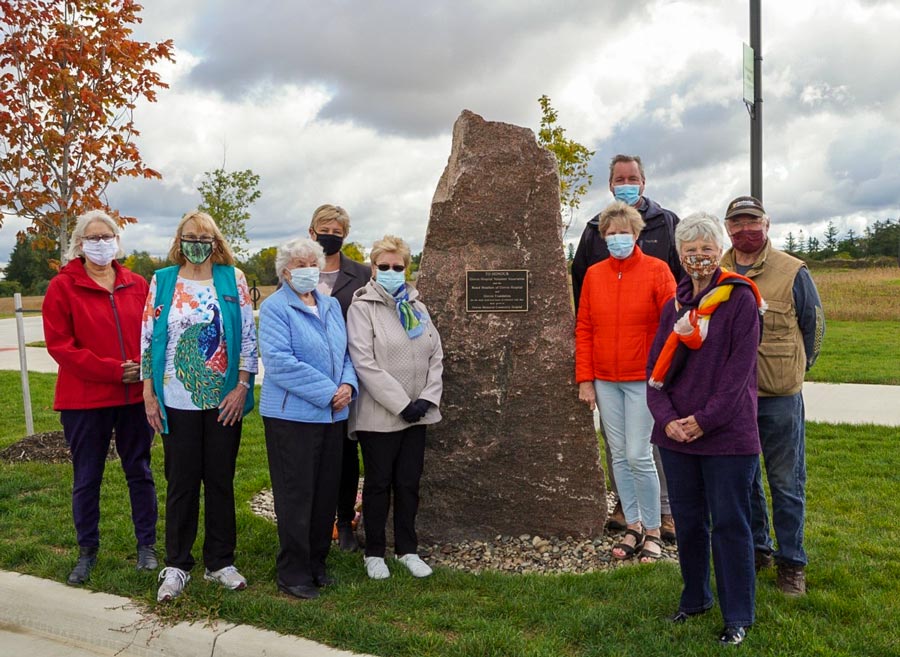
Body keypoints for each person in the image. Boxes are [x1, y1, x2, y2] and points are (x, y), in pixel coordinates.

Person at [646, 212, 766, 646]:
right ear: (679, 255)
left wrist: (704, 420)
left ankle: (737, 615)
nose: (698, 256)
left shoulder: (740, 300)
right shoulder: (673, 307)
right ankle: (695, 598)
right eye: (690, 250)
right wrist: (667, 419)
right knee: (689, 522)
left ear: (720, 252)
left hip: (727, 435)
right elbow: (655, 373)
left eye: (706, 249)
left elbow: (737, 375)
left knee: (730, 524)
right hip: (676, 436)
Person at [141, 210, 258, 603]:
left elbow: (248, 337)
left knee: (220, 481)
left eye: (204, 237)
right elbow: (147, 338)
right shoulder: (162, 280)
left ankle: (220, 562)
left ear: (215, 241)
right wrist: (149, 392)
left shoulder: (233, 278)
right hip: (176, 400)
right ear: (180, 240)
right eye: (190, 236)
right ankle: (177, 564)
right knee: (182, 483)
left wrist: (242, 385)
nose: (197, 243)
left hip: (224, 400)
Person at [42, 210, 158, 586]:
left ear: (117, 242)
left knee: (139, 471)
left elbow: (152, 333)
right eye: (93, 238)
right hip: (85, 400)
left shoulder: (137, 284)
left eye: (107, 237)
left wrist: (141, 368)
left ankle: (147, 547)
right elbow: (60, 346)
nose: (101, 243)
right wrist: (112, 370)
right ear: (79, 244)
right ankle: (87, 550)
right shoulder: (63, 287)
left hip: (134, 397)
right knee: (87, 476)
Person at [571, 153, 682, 539]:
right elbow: (584, 326)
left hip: (643, 377)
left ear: (637, 234)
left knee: (641, 452)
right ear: (603, 237)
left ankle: (655, 524)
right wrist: (585, 379)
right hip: (605, 378)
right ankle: (632, 521)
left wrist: (664, 371)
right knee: (619, 454)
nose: (618, 239)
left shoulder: (657, 269)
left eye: (625, 233)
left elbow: (672, 324)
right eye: (611, 234)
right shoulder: (594, 274)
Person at [720, 196, 825, 597]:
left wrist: (797, 369)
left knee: (785, 483)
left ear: (767, 225)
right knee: (744, 482)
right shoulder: (717, 271)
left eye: (752, 222)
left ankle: (792, 563)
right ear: (727, 228)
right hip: (734, 400)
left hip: (779, 398)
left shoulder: (792, 271)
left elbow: (814, 327)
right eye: (737, 223)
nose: (745, 229)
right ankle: (758, 550)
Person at [258, 237, 358, 600]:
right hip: (292, 418)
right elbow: (280, 362)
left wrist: (348, 385)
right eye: (299, 265)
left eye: (312, 264)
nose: (307, 270)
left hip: (332, 417)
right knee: (296, 496)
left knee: (325, 494)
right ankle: (293, 572)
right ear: (285, 272)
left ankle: (317, 564)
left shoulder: (330, 305)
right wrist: (328, 392)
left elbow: (345, 354)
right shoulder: (275, 308)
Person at [347, 235, 443, 580]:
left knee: (408, 483)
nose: (391, 271)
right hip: (380, 416)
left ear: (406, 269)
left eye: (397, 267)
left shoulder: (417, 308)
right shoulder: (362, 309)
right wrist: (402, 404)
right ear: (373, 268)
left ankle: (407, 549)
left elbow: (436, 354)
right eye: (384, 266)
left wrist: (427, 399)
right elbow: (364, 363)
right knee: (378, 485)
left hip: (418, 414)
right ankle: (374, 553)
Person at [306, 204, 371, 552]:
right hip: (309, 375)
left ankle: (345, 520)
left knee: (346, 453)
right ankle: (313, 519)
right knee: (312, 453)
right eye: (324, 230)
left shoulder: (361, 274)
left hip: (351, 374)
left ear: (344, 236)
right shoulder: (300, 270)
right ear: (312, 232)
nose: (330, 236)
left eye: (337, 231)